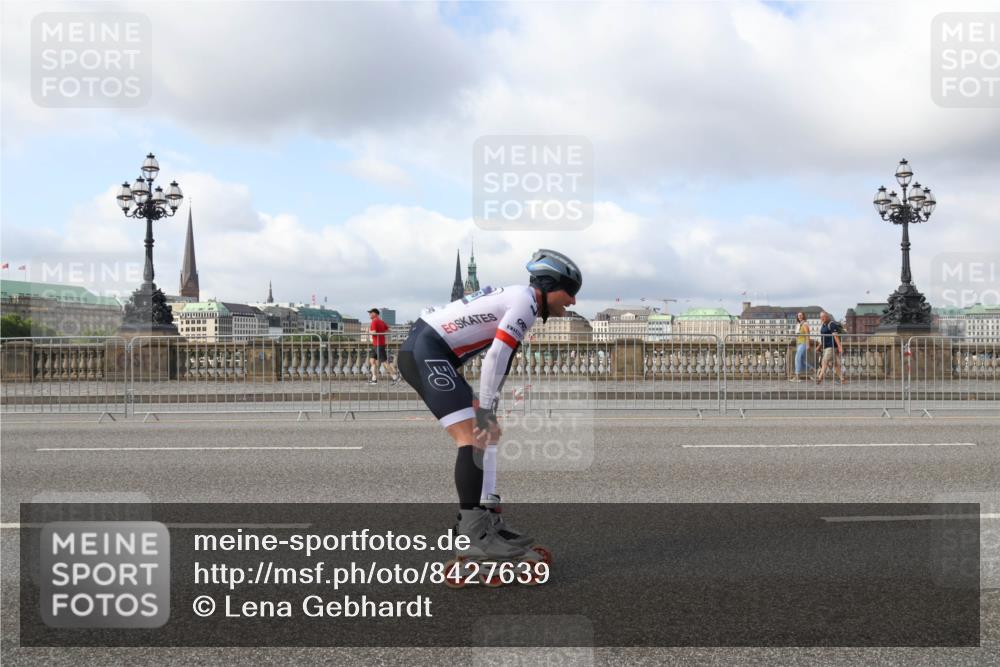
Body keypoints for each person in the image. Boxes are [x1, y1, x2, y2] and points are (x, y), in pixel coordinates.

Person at [398, 249, 581, 560]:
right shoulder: (526, 301)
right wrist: (484, 410)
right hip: (426, 353)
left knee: (488, 434)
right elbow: (495, 357)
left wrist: (488, 409)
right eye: (570, 292)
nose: (573, 301)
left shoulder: (524, 299)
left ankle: (487, 519)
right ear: (550, 286)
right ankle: (472, 535)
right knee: (472, 437)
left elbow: (502, 359)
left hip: (430, 351)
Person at [367, 308, 399, 384]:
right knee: (372, 361)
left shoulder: (374, 321)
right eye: (369, 313)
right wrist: (381, 332)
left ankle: (395, 377)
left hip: (378, 345)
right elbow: (388, 330)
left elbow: (374, 332)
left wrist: (369, 331)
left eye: (371, 313)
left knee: (384, 362)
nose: (369, 314)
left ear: (376, 314)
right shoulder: (381, 321)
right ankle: (374, 379)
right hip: (377, 344)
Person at [815, 311, 846, 384]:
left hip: (831, 347)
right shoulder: (823, 325)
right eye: (821, 317)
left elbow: (836, 336)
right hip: (825, 347)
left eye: (824, 317)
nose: (822, 318)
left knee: (824, 361)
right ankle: (842, 379)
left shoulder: (831, 324)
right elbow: (823, 338)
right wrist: (819, 346)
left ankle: (819, 378)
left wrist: (839, 347)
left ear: (827, 317)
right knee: (835, 365)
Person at [791, 312, 812, 382]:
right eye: (798, 315)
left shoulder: (805, 324)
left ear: (803, 316)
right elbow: (797, 336)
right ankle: (814, 370)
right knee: (801, 361)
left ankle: (797, 377)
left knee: (797, 358)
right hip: (799, 344)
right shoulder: (798, 325)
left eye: (801, 315)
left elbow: (807, 334)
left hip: (803, 343)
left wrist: (808, 344)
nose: (799, 316)